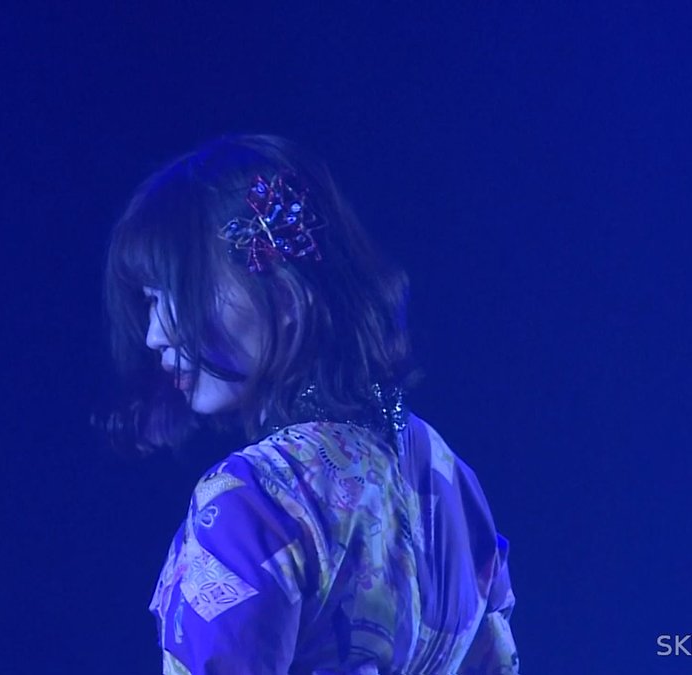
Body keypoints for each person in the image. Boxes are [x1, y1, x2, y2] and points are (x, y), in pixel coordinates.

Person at [100, 135, 519, 674]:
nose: (154, 335)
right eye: (149, 303)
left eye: (167, 296)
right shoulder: (447, 474)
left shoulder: (254, 500)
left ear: (281, 291)